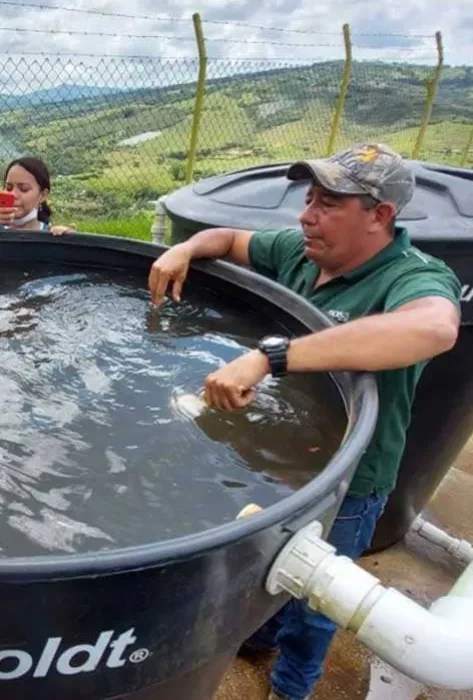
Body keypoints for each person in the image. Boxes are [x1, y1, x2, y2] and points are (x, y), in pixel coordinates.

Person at [148, 143, 461, 700]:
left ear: (380, 215)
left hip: (349, 480)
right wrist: (186, 249)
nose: (306, 215)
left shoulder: (411, 277)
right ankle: (262, 631)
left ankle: (293, 687)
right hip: (283, 462)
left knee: (320, 604)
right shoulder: (302, 251)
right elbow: (226, 238)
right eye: (309, 198)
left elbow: (435, 330)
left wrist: (270, 357)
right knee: (269, 571)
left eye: (329, 203)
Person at [0, 157, 74, 235]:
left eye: (24, 189)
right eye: (8, 188)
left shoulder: (51, 236)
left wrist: (69, 240)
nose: (13, 194)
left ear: (43, 195)